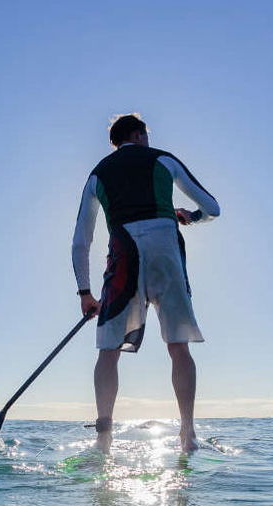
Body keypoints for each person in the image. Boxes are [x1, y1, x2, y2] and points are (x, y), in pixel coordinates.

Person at [71, 113, 220, 452]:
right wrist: (191, 217)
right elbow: (213, 208)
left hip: (124, 255)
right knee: (177, 346)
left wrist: (85, 293)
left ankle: (104, 440)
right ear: (138, 135)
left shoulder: (98, 174)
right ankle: (188, 435)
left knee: (108, 352)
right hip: (166, 251)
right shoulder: (162, 159)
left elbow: (81, 241)